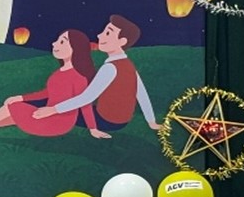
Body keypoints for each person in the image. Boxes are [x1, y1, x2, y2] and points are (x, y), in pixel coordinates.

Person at [31, 15, 160, 139]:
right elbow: (141, 94)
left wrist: (53, 110)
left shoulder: (110, 68)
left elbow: (87, 97)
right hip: (122, 122)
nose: (99, 35)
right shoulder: (128, 64)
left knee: (45, 103)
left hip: (105, 120)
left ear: (122, 41)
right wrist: (151, 121)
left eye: (108, 33)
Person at [0, 30, 100, 137]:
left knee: (13, 107)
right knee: (16, 112)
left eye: (62, 42)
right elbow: (47, 93)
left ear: (75, 48)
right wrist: (21, 97)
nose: (54, 44)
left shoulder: (78, 77)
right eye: (57, 40)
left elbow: (84, 103)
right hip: (46, 115)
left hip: (57, 123)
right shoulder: (59, 72)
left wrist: (93, 129)